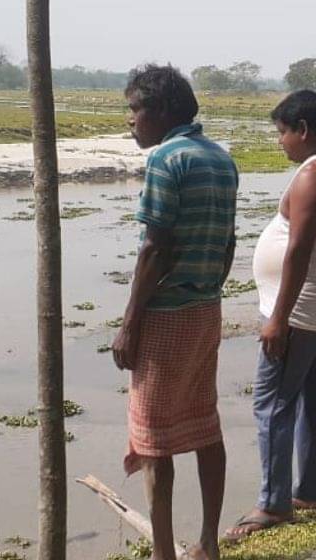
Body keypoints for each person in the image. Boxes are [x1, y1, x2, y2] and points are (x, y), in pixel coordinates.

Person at [111, 64, 238, 560]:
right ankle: (208, 542)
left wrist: (129, 324)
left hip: (165, 315)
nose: (131, 120)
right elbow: (228, 245)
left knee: (153, 439)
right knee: (205, 423)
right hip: (205, 310)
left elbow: (155, 248)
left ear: (162, 110)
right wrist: (207, 286)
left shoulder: (166, 159)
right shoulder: (221, 159)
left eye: (135, 109)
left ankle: (164, 552)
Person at [224, 90, 316, 541]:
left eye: (282, 132)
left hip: (299, 310)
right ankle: (310, 490)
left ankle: (274, 503)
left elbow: (298, 251)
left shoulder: (315, 175)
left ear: (302, 129)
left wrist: (278, 319)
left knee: (272, 403)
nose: (279, 141)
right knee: (310, 397)